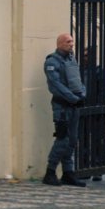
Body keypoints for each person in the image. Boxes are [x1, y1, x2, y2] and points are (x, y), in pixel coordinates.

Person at [43, 33, 88, 187]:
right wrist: (73, 98)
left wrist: (82, 93)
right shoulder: (52, 62)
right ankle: (50, 172)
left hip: (73, 105)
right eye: (68, 41)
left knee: (72, 140)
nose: (71, 44)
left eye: (72, 41)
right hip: (62, 106)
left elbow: (78, 80)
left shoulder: (71, 59)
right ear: (60, 43)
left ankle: (68, 173)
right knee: (63, 139)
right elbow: (56, 85)